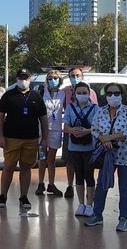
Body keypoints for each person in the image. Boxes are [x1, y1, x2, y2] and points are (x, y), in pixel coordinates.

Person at [85, 82, 127, 232]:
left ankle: (123, 218)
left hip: (126, 155)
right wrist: (104, 139)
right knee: (102, 184)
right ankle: (97, 215)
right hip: (107, 155)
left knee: (125, 188)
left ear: (121, 95)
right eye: (109, 93)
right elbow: (94, 129)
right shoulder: (101, 111)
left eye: (116, 93)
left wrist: (111, 137)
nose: (113, 96)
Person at [0, 68, 48, 210]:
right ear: (17, 79)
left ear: (30, 79)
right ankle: (3, 195)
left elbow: (43, 119)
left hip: (31, 138)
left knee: (26, 167)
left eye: (25, 78)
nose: (23, 81)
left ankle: (23, 196)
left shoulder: (36, 97)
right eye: (21, 78)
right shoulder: (8, 95)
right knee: (9, 167)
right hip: (11, 137)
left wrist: (45, 138)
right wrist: (0, 136)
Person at [59, 67, 98, 199]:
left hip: (89, 136)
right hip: (71, 133)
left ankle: (89, 194)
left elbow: (96, 115)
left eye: (77, 75)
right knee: (70, 161)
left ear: (82, 76)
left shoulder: (91, 92)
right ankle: (70, 185)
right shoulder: (64, 92)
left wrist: (87, 131)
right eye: (72, 75)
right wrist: (70, 130)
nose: (75, 77)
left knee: (88, 168)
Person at [63, 82, 99, 218]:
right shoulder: (70, 108)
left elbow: (99, 126)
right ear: (74, 94)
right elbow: (65, 126)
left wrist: (87, 131)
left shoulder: (95, 108)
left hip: (90, 147)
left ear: (89, 94)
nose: (82, 95)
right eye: (79, 93)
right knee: (78, 174)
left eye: (85, 93)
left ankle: (90, 204)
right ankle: (81, 204)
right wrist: (72, 130)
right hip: (74, 147)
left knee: (89, 175)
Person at [36, 69, 65, 197]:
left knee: (51, 159)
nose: (52, 80)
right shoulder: (41, 93)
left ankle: (51, 184)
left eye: (55, 78)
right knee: (42, 158)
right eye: (50, 78)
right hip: (42, 130)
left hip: (56, 130)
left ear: (59, 80)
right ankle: (40, 184)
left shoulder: (63, 94)